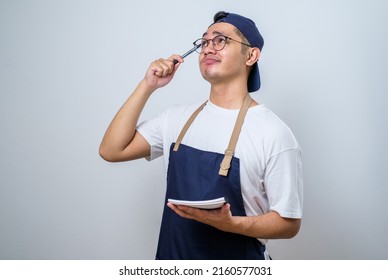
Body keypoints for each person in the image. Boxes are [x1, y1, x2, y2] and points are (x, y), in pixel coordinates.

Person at [99, 11, 303, 260]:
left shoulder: (273, 133)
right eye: (204, 42)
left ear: (251, 55)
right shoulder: (175, 120)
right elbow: (111, 150)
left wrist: (231, 224)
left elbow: (289, 223)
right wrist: (148, 85)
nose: (208, 48)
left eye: (220, 40)